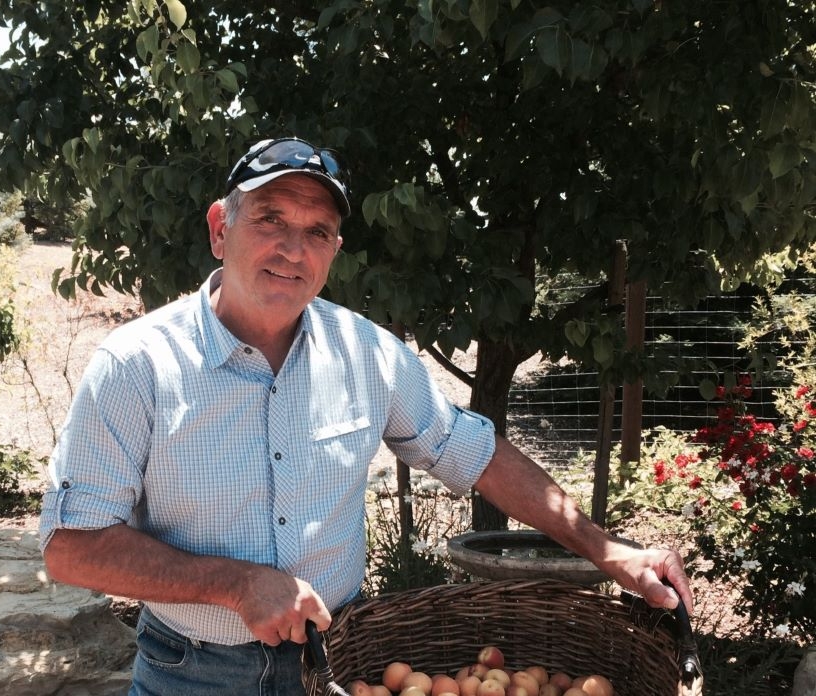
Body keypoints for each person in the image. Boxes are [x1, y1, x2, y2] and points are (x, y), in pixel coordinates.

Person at [38, 137, 694, 696]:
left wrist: (613, 554)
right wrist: (236, 585)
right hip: (190, 672)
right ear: (219, 228)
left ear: (333, 250)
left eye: (316, 232)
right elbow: (72, 549)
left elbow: (479, 457)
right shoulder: (136, 367)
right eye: (270, 218)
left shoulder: (367, 354)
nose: (293, 248)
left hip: (339, 663)